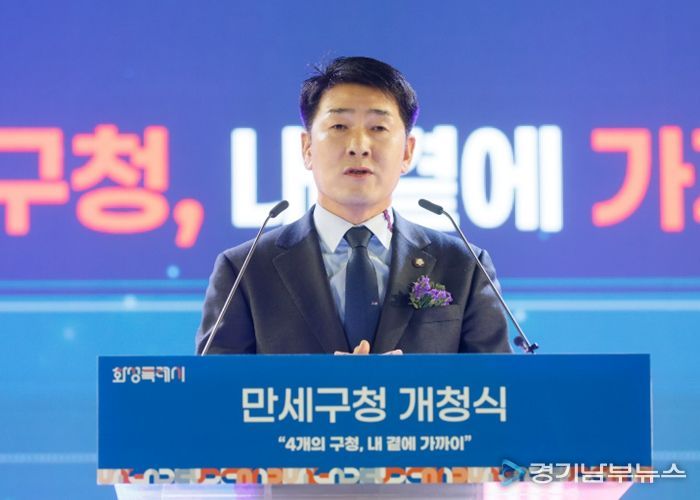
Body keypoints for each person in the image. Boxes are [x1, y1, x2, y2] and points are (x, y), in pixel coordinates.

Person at [196, 56, 512, 355]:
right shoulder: (245, 270)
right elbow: (213, 387)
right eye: (339, 127)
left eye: (378, 128)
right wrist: (329, 385)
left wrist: (406, 383)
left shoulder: (465, 266)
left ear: (407, 152)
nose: (358, 146)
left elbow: (499, 386)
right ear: (307, 148)